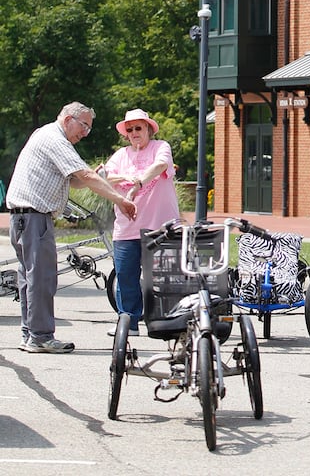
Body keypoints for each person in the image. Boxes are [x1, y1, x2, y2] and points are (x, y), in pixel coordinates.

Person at [6, 102, 137, 354]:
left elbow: (77, 182)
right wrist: (120, 199)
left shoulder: (45, 135)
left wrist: (99, 177)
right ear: (68, 119)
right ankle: (40, 336)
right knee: (42, 279)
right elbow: (85, 177)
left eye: (89, 128)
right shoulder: (55, 139)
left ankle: (30, 334)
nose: (85, 133)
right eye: (84, 125)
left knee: (29, 279)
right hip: (34, 218)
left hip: (24, 218)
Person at [99, 108, 180, 337]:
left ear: (148, 129)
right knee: (125, 277)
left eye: (139, 127)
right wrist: (127, 179)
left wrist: (139, 183)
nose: (134, 132)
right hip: (127, 228)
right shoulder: (120, 155)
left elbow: (160, 166)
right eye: (130, 129)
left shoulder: (160, 147)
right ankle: (129, 322)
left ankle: (164, 322)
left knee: (163, 277)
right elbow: (104, 175)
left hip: (160, 227)